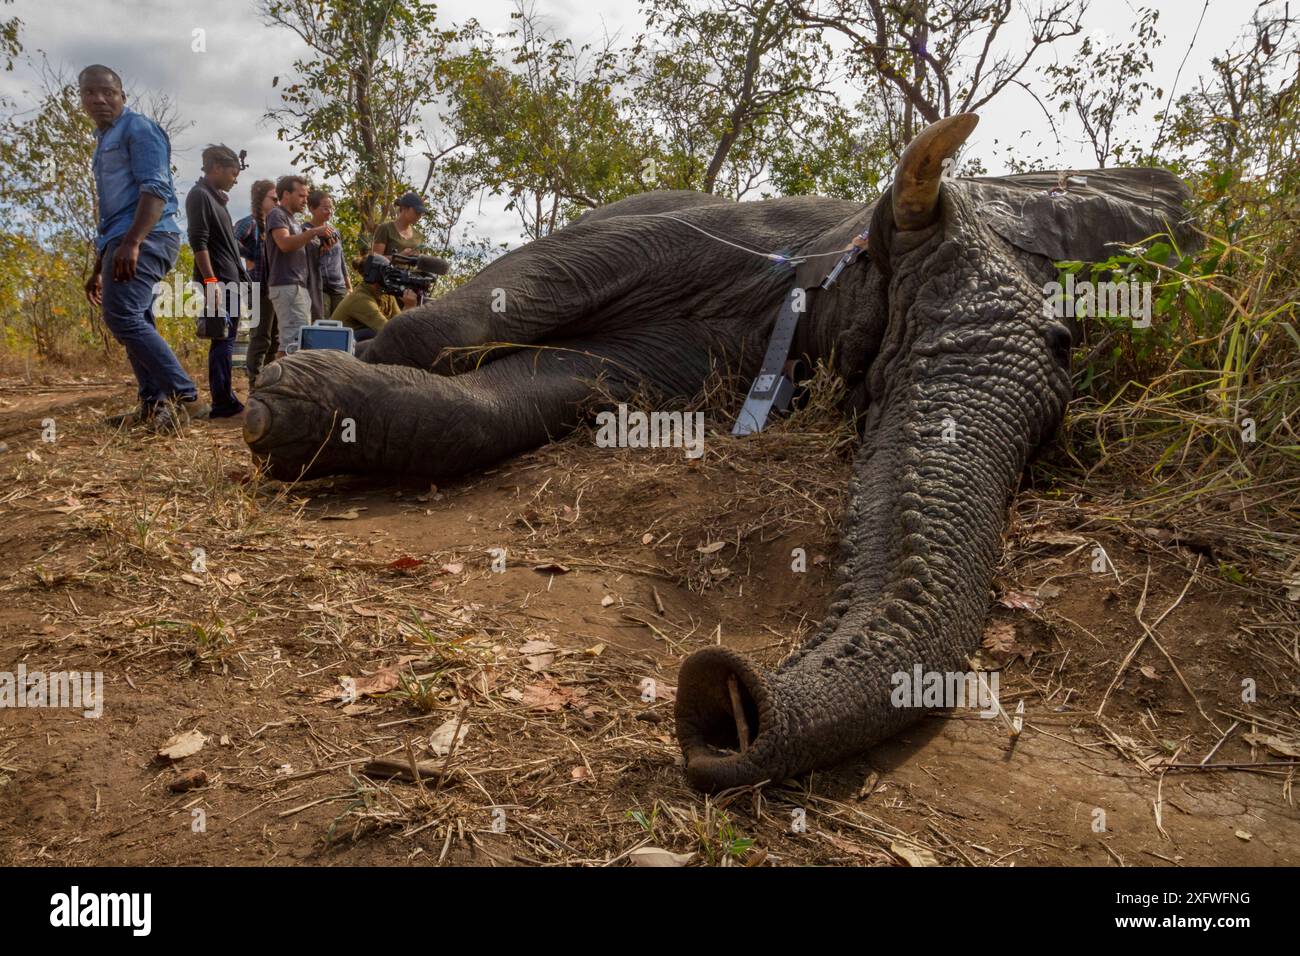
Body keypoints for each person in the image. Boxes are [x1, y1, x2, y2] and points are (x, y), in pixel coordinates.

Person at [79, 64, 205, 431]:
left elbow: (156, 188)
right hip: (122, 239)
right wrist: (99, 266)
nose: (99, 99)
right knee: (138, 316)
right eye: (90, 92)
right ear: (82, 98)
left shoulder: (139, 128)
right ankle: (152, 404)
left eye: (108, 92)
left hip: (148, 235)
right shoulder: (104, 138)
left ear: (122, 96)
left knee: (122, 316)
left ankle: (187, 397)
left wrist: (133, 242)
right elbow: (112, 214)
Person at [184, 144, 246, 420]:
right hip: (218, 280)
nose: (235, 180)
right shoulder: (199, 195)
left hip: (230, 279)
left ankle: (225, 398)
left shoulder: (215, 199)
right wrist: (211, 281)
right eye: (233, 173)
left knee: (227, 338)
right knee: (222, 338)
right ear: (217, 168)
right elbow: (198, 241)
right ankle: (222, 402)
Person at [265, 175, 332, 358]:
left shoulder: (293, 220)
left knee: (295, 341)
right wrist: (314, 232)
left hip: (298, 286)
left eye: (306, 196)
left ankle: (280, 375)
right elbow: (284, 244)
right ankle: (280, 377)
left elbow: (297, 249)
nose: (305, 200)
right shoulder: (277, 214)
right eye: (301, 195)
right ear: (286, 194)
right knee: (293, 343)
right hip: (287, 284)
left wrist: (321, 248)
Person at [234, 179, 277, 383]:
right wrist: (249, 255)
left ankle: (269, 383)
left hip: (274, 289)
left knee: (275, 339)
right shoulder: (249, 222)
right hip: (256, 287)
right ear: (260, 199)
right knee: (260, 337)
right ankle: (255, 383)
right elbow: (231, 241)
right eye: (273, 198)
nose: (277, 203)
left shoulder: (273, 225)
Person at [330, 255, 415, 342]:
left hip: (354, 340)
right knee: (378, 334)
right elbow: (390, 331)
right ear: (376, 275)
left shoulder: (385, 293)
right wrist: (408, 307)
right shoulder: (360, 298)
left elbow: (398, 322)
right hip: (337, 344)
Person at [306, 190, 350, 318]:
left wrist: (349, 286)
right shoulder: (304, 230)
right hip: (319, 288)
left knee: (342, 323)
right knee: (322, 324)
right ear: (312, 209)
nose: (329, 211)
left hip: (339, 287)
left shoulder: (335, 231)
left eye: (331, 208)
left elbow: (341, 260)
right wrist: (319, 252)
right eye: (325, 208)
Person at [371, 192, 426, 261]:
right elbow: (375, 259)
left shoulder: (418, 236)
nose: (419, 216)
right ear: (404, 208)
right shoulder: (385, 229)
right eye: (417, 212)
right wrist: (398, 257)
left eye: (421, 213)